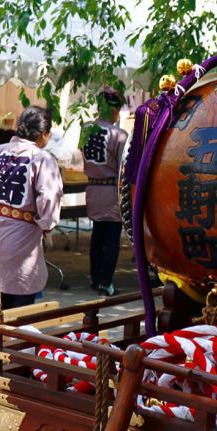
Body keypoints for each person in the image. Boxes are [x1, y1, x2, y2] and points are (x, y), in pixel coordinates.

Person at [0, 106, 62, 309]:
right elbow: (49, 196)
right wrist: (46, 224)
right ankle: (17, 338)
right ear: (44, 134)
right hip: (23, 232)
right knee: (21, 294)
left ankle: (0, 336)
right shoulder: (42, 159)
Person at [82, 86, 128, 296]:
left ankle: (94, 276)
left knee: (97, 235)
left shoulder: (86, 129)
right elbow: (123, 167)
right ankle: (106, 281)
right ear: (116, 109)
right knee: (111, 238)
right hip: (110, 190)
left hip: (92, 188)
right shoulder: (119, 134)